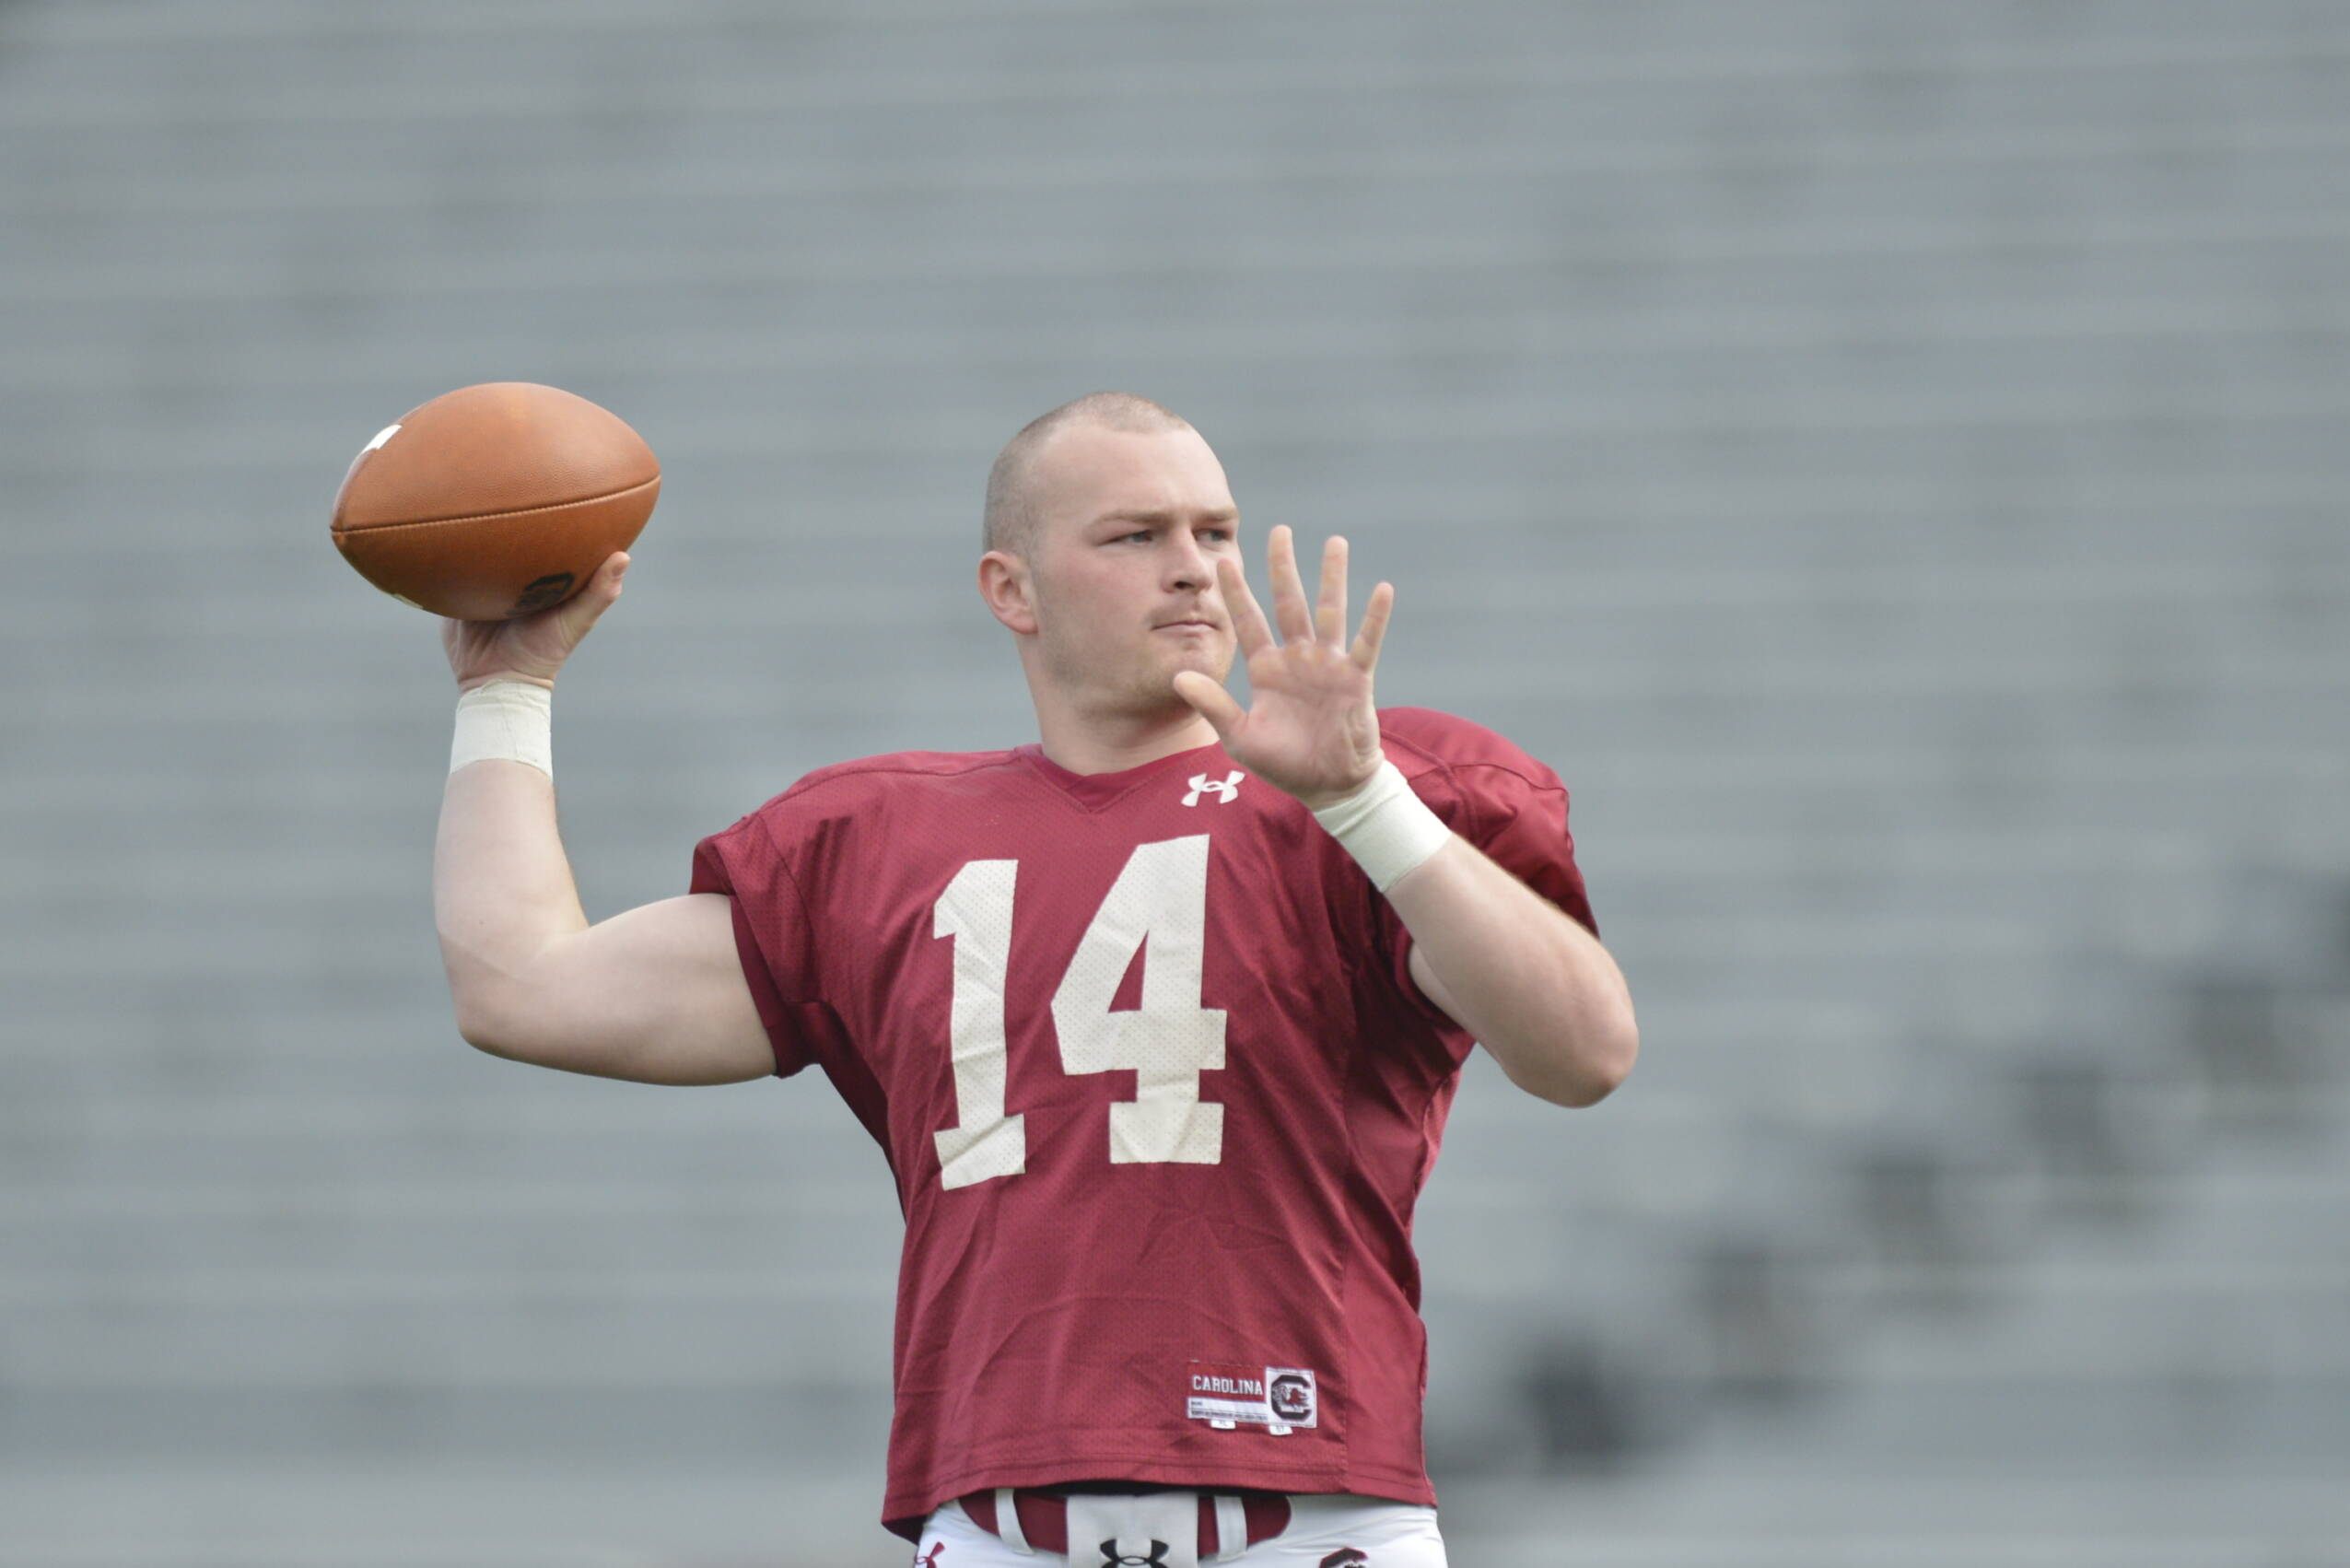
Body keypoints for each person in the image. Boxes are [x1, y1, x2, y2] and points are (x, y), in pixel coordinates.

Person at [434, 392, 1638, 1567]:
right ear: (1011, 588)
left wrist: (1365, 801)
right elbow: (523, 987)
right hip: (996, 1528)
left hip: (1311, 1523)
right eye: (1135, 535)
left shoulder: (1356, 799)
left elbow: (1585, 1050)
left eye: (1213, 531)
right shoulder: (881, 839)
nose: (1193, 568)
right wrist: (504, 686)